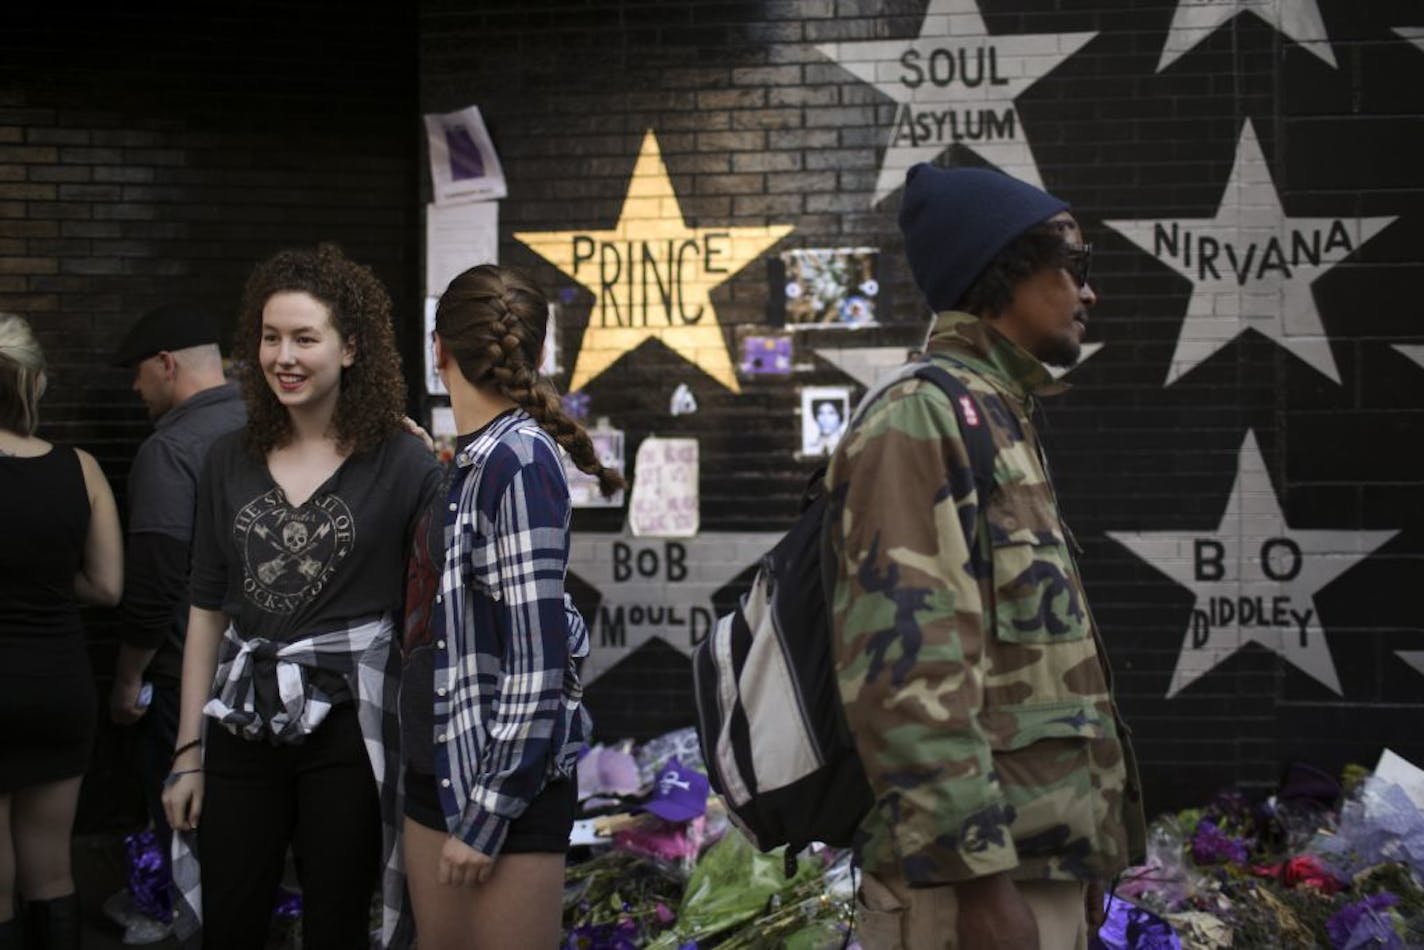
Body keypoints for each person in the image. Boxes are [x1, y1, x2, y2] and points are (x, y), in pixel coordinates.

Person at [823, 164, 1146, 950]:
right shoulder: (922, 416)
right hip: (966, 895)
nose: (1088, 292)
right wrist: (981, 887)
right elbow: (907, 672)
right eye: (1075, 264)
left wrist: (1089, 841)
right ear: (1001, 269)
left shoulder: (998, 414)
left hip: (1034, 871)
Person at [160, 245, 441, 949]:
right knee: (231, 917)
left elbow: (439, 598)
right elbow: (206, 607)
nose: (283, 355)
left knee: (337, 923)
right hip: (241, 714)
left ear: (350, 348)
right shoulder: (227, 457)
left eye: (304, 338)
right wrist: (188, 751)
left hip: (349, 722)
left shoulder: (404, 461)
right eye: (269, 336)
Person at [399, 264, 622, 950]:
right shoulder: (472, 462)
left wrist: (488, 814)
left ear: (438, 352)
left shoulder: (519, 462)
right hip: (438, 767)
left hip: (499, 792)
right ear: (541, 355)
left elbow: (537, 663)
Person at [107, 304, 246, 936]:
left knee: (183, 808)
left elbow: (157, 576)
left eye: (139, 374)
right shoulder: (271, 422)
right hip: (268, 667)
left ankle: (171, 915)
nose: (136, 390)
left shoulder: (170, 449)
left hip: (181, 670)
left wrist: (127, 675)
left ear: (166, 366)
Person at [0, 313, 124, 949]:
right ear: (37, 384)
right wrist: (44, 583)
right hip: (56, 685)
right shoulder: (81, 469)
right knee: (50, 869)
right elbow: (107, 587)